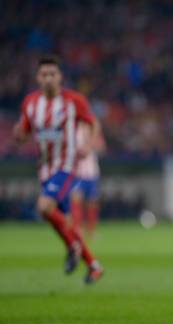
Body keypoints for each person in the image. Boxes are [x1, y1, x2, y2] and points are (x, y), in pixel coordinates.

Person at [13, 55, 104, 283]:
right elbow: (23, 132)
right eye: (44, 74)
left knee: (44, 207)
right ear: (37, 78)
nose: (48, 78)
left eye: (52, 74)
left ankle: (73, 245)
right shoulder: (31, 103)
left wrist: (89, 144)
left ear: (60, 77)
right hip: (44, 169)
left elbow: (93, 123)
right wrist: (18, 134)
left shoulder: (74, 101)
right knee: (64, 223)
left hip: (67, 166)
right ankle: (94, 265)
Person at [71, 118, 105, 241]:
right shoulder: (72, 131)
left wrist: (92, 141)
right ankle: (77, 230)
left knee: (92, 203)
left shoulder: (93, 132)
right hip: (77, 173)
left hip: (92, 173)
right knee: (76, 201)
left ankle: (92, 231)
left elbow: (102, 148)